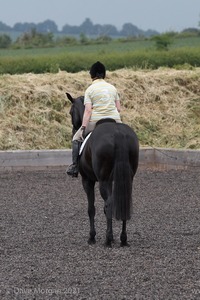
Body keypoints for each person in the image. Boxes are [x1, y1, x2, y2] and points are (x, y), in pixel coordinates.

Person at [67, 61, 122, 177]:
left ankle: (75, 166)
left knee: (76, 139)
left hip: (97, 121)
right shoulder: (113, 88)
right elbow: (118, 108)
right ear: (104, 74)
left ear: (92, 75)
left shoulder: (90, 90)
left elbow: (87, 111)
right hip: (115, 120)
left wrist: (83, 127)